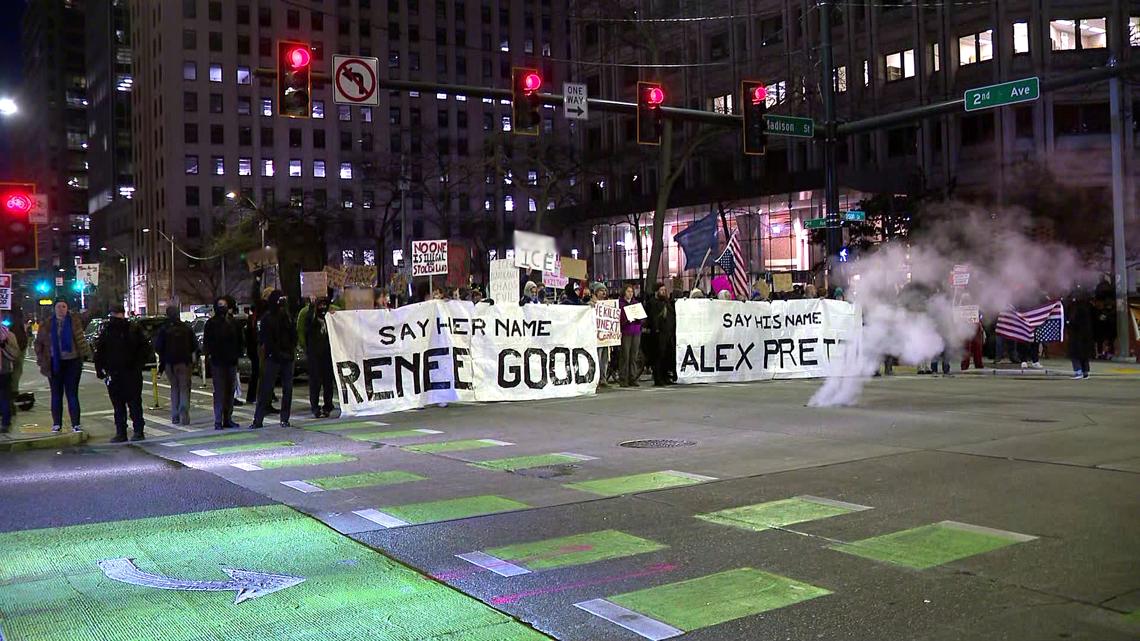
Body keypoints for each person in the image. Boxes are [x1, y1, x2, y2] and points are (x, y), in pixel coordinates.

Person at [94, 305, 151, 442]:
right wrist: (138, 365)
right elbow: (146, 349)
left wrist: (100, 369)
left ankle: (122, 432)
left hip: (115, 373)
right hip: (131, 373)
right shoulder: (133, 328)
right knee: (134, 403)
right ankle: (137, 431)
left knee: (119, 405)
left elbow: (99, 352)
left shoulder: (108, 330)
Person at [34, 300, 90, 433]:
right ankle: (56, 423)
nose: (61, 309)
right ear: (54, 308)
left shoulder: (74, 321)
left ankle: (76, 424)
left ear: (67, 308)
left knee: (72, 394)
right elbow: (39, 344)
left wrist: (84, 354)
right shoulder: (47, 324)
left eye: (64, 306)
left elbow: (81, 339)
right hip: (54, 362)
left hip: (72, 362)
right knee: (56, 394)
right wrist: (42, 360)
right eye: (58, 306)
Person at [252, 290, 297, 429]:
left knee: (287, 389)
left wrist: (289, 352)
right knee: (266, 389)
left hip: (286, 357)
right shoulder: (267, 318)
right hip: (273, 357)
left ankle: (284, 418)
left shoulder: (287, 317)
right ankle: (258, 419)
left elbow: (293, 336)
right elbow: (266, 339)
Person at [203, 296, 243, 429]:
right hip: (218, 362)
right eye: (220, 305)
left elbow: (239, 341)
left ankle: (227, 418)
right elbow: (208, 343)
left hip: (230, 361)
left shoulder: (233, 322)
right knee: (220, 391)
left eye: (224, 305)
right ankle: (218, 420)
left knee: (230, 391)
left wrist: (237, 356)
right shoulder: (211, 324)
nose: (222, 308)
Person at [154, 305, 197, 425]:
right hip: (184, 361)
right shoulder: (186, 328)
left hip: (169, 362)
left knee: (174, 387)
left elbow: (158, 347)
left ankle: (175, 415)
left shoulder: (164, 329)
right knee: (184, 387)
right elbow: (194, 345)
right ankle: (184, 411)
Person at [299, 296, 337, 418]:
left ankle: (328, 406)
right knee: (315, 383)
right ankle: (315, 407)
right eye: (320, 306)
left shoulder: (330, 319)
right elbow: (305, 329)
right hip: (314, 355)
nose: (323, 309)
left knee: (328, 382)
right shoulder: (310, 318)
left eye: (324, 306)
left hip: (327, 355)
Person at [645, 283, 676, 386]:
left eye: (664, 290)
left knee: (667, 356)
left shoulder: (667, 303)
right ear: (656, 291)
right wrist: (656, 329)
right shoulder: (652, 303)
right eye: (661, 290)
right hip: (658, 335)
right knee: (658, 357)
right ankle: (658, 378)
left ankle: (666, 377)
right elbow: (652, 318)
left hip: (668, 334)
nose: (663, 292)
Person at [618, 284, 643, 387]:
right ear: (624, 292)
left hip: (636, 331)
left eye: (631, 292)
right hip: (626, 331)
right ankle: (623, 378)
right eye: (628, 291)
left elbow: (642, 318)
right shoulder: (620, 304)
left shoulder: (636, 303)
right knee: (625, 355)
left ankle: (633, 377)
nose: (630, 293)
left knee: (634, 356)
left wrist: (639, 319)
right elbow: (618, 318)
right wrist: (625, 321)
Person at [1067, 292, 1095, 379]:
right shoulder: (1088, 308)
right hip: (1086, 335)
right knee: (1084, 355)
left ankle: (1078, 372)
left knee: (1075, 354)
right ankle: (1085, 372)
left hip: (1077, 335)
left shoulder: (1076, 309)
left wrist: (1068, 323)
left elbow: (1074, 322)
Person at [589, 283, 611, 389]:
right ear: (596, 292)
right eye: (601, 290)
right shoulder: (591, 304)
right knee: (597, 358)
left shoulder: (608, 304)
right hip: (596, 336)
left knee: (604, 359)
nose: (604, 293)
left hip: (605, 337)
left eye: (605, 291)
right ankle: (596, 379)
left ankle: (603, 378)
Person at [0, 323, 19, 433]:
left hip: (4, 371)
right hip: (5, 371)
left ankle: (5, 423)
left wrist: (4, 346)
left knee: (4, 398)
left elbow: (15, 354)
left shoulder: (8, 335)